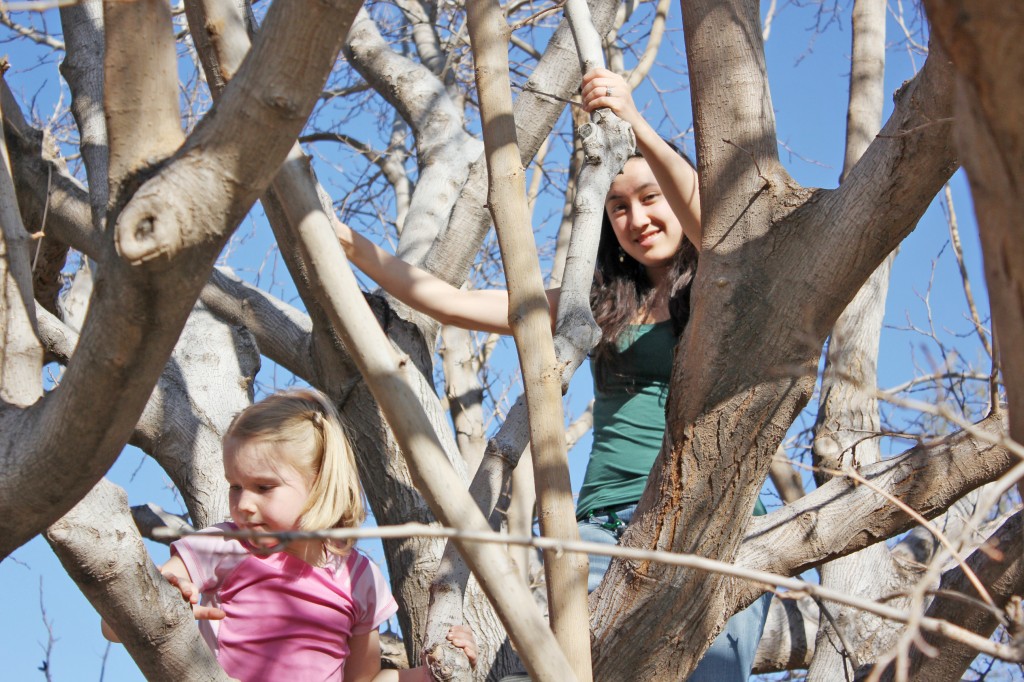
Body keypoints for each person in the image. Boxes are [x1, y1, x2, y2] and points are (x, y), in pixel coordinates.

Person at [333, 68, 769, 681]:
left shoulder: (725, 290)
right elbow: (448, 301)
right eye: (618, 208)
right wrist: (348, 245)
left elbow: (718, 229)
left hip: (710, 515)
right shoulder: (593, 305)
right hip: (600, 526)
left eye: (651, 198)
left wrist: (635, 124)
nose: (637, 218)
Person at [102, 388, 476, 682]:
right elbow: (114, 626)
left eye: (263, 487)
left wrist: (437, 673)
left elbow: (363, 679)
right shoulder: (221, 545)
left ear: (318, 486)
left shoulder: (359, 578)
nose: (243, 504)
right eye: (236, 486)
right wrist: (162, 596)